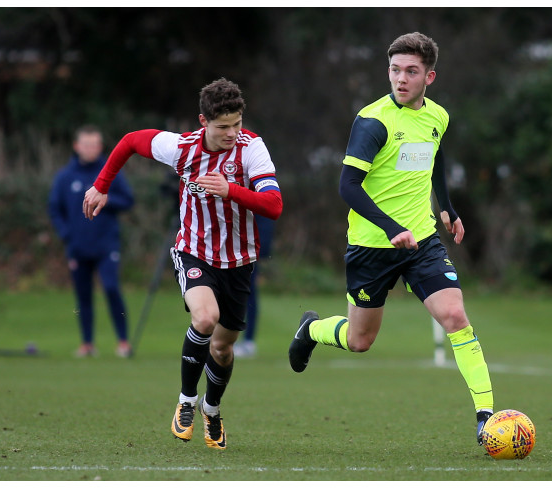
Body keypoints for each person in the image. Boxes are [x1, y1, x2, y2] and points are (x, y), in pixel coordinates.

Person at [288, 32, 495, 445]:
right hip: (371, 246)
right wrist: (389, 227)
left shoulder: (438, 117)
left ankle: (486, 417)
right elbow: (348, 185)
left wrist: (447, 208)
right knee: (360, 340)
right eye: (395, 70)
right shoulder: (373, 122)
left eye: (411, 72)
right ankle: (311, 330)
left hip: (421, 241)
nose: (401, 79)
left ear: (429, 77)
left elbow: (435, 159)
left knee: (455, 317)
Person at [82, 78, 282, 451]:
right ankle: (187, 400)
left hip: (238, 260)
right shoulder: (181, 148)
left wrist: (231, 189)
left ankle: (212, 407)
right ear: (203, 122)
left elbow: (273, 205)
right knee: (204, 318)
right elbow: (129, 141)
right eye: (223, 126)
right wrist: (102, 185)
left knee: (223, 348)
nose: (232, 133)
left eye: (237, 124)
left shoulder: (252, 148)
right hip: (194, 251)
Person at [49, 124, 135, 358]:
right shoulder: (65, 177)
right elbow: (55, 209)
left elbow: (128, 200)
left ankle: (123, 342)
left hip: (106, 245)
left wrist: (104, 197)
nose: (91, 149)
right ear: (77, 146)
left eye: (95, 144)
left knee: (111, 288)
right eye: (86, 144)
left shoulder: (110, 172)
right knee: (83, 295)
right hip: (77, 247)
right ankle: (87, 344)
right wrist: (67, 235)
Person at [233, 214, 275, 358]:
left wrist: (260, 251)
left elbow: (265, 220)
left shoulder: (257, 192)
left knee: (248, 294)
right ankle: (226, 338)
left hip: (248, 251)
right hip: (229, 249)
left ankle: (248, 342)